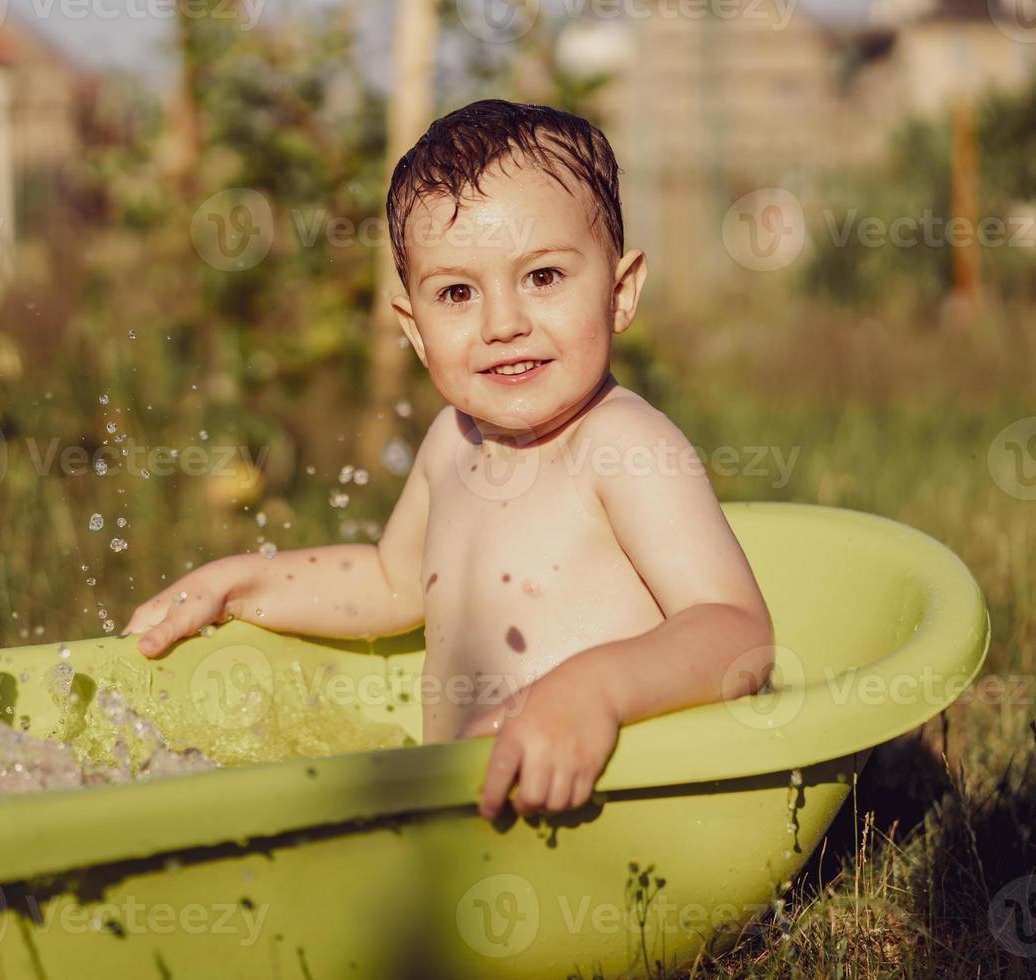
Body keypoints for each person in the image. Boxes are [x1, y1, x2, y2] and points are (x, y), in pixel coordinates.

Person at [122, 99, 775, 821]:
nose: (503, 324)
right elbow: (392, 581)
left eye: (545, 278)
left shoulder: (623, 446)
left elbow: (735, 633)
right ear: (415, 327)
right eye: (458, 293)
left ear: (619, 293)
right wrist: (245, 582)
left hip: (611, 810)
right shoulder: (451, 439)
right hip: (464, 822)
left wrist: (594, 690)